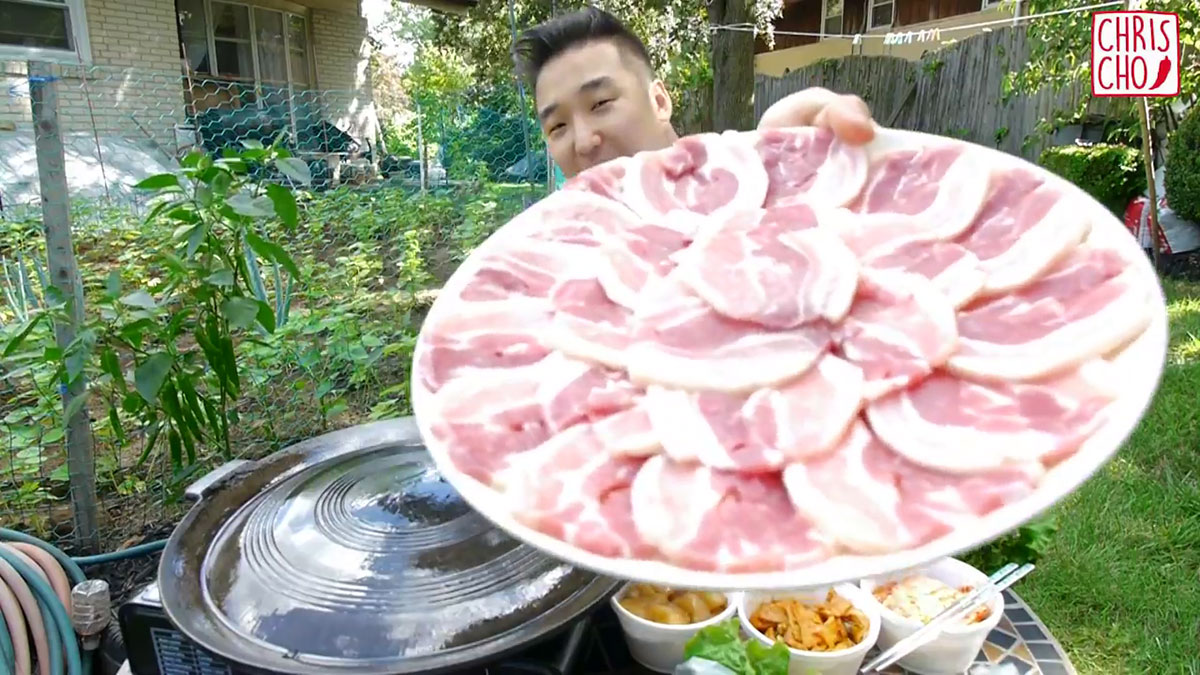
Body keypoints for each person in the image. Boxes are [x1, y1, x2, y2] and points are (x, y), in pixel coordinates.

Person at [514, 6, 877, 184]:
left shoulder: (743, 188)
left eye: (600, 104)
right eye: (557, 126)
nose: (583, 142)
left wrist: (789, 171)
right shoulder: (559, 256)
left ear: (659, 101)